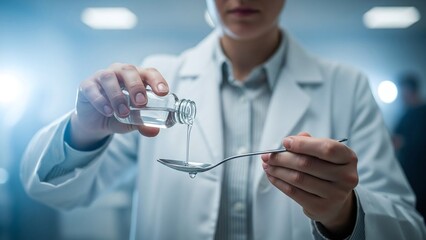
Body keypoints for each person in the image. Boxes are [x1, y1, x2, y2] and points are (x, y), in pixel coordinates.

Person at [21, 0, 426, 239]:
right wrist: (84, 131)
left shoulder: (346, 86)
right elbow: (56, 191)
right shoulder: (155, 82)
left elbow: (408, 227)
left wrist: (343, 213)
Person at [393, 72, 426, 221]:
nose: (401, 96)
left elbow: (417, 142)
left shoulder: (422, 113)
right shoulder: (405, 114)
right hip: (408, 176)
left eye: (403, 91)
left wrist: (402, 143)